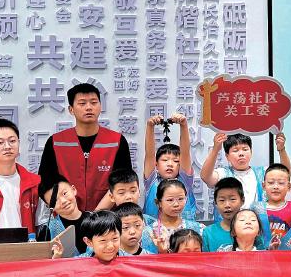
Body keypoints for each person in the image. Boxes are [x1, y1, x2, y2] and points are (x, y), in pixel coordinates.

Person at [37, 83, 132, 212]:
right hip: (66, 216)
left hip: (107, 217)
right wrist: (66, 210)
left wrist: (95, 216)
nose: (89, 107)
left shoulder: (117, 141)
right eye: (82, 103)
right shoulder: (56, 142)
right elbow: (44, 183)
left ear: (100, 106)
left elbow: (122, 182)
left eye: (94, 102)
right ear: (71, 109)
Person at [200, 131, 291, 208]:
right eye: (235, 150)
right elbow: (205, 177)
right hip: (230, 222)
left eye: (245, 149)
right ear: (227, 156)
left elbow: (286, 174)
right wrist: (215, 149)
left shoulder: (262, 172)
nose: (241, 154)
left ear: (251, 152)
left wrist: (281, 150)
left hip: (257, 222)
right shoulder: (223, 173)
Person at [140, 113, 198, 221]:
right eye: (165, 160)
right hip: (155, 231)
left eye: (176, 161)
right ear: (156, 165)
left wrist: (184, 125)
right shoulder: (152, 181)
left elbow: (185, 153)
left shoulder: (184, 181)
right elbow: (149, 154)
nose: (170, 164)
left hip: (183, 230)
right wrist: (150, 126)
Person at [200, 178, 266, 252]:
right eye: (222, 200)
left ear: (242, 200)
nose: (227, 205)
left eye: (232, 199)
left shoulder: (250, 229)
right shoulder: (208, 233)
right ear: (216, 203)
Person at [148, 179, 204, 252]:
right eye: (170, 200)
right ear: (158, 202)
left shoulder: (199, 229)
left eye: (180, 199)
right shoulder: (149, 232)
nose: (176, 204)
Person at [37, 180, 91, 254]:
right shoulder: (47, 231)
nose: (63, 201)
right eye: (55, 200)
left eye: (64, 193)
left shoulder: (97, 219)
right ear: (49, 206)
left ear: (73, 190)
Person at [52, 210, 126, 262]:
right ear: (88, 242)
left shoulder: (130, 261)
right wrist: (57, 259)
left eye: (115, 238)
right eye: (103, 240)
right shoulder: (80, 262)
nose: (110, 246)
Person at [258, 163, 291, 249]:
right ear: (263, 186)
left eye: (281, 183)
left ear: (289, 186)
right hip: (261, 255)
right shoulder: (257, 209)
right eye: (271, 183)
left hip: (287, 255)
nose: (276, 187)